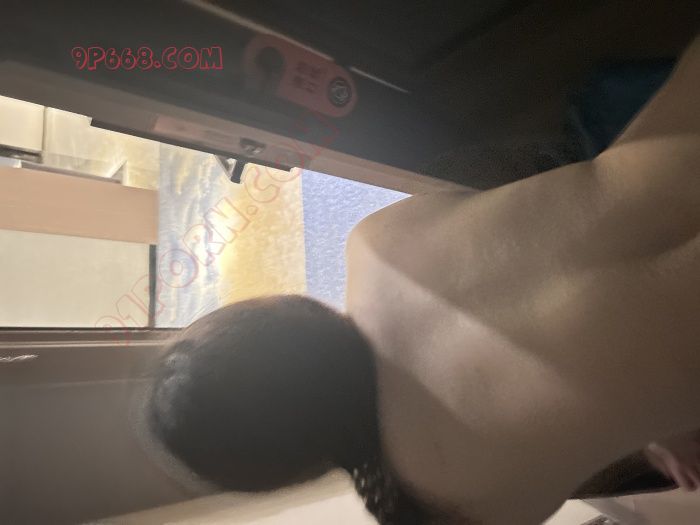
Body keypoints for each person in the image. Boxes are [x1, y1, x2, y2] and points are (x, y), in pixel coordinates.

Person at [148, 34, 699, 525]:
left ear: (292, 470)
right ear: (279, 313)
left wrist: (648, 423)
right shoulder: (375, 242)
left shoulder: (444, 502)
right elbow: (577, 268)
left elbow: (600, 338)